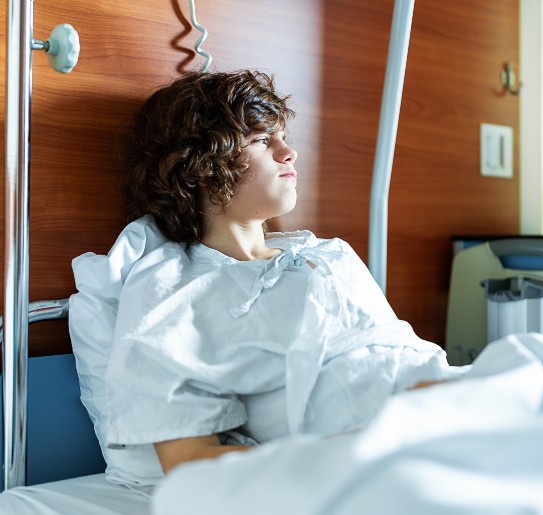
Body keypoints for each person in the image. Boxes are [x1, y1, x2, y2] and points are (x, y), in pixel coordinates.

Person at [106, 69, 462, 482]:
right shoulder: (171, 288)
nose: (288, 152)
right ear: (201, 166)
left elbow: (402, 355)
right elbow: (190, 463)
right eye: (261, 139)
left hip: (450, 404)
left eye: (282, 136)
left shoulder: (330, 255)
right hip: (381, 455)